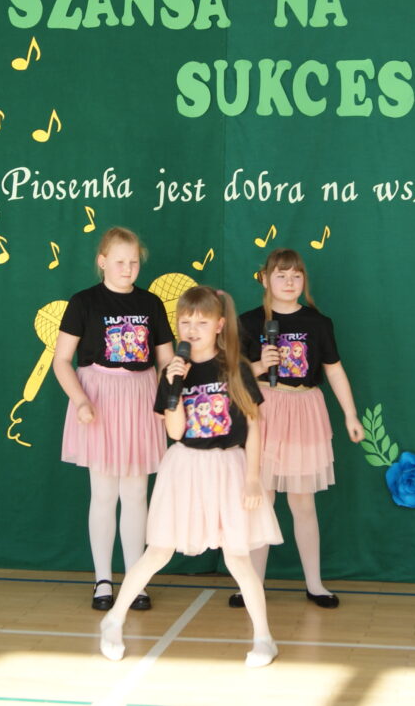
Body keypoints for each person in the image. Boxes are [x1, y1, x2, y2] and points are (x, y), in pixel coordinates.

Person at [99, 286, 282, 667]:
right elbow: (176, 431)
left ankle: (264, 637)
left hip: (229, 467)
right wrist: (175, 385)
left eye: (201, 322)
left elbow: (254, 425)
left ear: (219, 325)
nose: (192, 330)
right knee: (159, 551)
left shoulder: (235, 368)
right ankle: (113, 620)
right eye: (185, 322)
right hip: (185, 467)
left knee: (238, 557)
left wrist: (253, 478)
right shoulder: (172, 372)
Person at [53, 227, 175, 611]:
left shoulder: (151, 303)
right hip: (99, 398)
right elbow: (62, 360)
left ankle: (136, 580)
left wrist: (169, 397)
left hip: (141, 397)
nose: (127, 268)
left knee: (136, 493)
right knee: (104, 493)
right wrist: (80, 400)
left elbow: (166, 360)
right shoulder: (83, 302)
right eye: (120, 261)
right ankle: (103, 579)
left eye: (134, 262)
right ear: (102, 261)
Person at [235, 248, 364, 608]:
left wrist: (351, 415)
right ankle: (251, 585)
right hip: (265, 410)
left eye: (296, 275)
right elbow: (232, 374)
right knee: (261, 500)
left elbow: (334, 369)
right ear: (265, 279)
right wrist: (259, 366)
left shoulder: (318, 323)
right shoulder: (248, 322)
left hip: (305, 410)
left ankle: (315, 584)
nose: (289, 282)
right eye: (281, 275)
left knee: (302, 501)